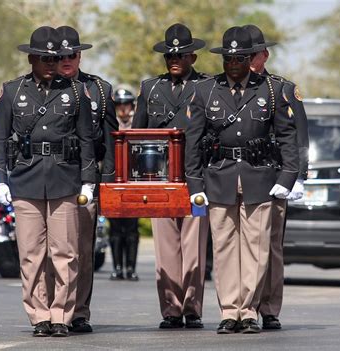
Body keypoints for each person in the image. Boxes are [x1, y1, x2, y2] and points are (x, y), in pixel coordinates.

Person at [185, 26, 299, 334]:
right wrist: (194, 185)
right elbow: (193, 141)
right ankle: (229, 310)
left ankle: (248, 310)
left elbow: (288, 136)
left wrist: (288, 177)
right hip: (219, 176)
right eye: (228, 58)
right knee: (223, 247)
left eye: (239, 58)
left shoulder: (271, 90)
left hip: (259, 176)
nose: (233, 64)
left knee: (257, 247)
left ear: (250, 59)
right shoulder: (206, 90)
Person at [0, 26, 96, 337]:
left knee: (65, 252)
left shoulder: (76, 91)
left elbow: (86, 140)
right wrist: (0, 178)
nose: (51, 63)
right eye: (44, 58)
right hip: (26, 178)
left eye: (55, 58)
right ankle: (39, 315)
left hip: (65, 178)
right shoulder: (12, 92)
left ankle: (61, 315)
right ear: (32, 58)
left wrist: (88, 181)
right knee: (31, 253)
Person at [132, 23, 210, 329]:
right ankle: (171, 310)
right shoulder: (150, 88)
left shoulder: (206, 87)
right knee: (166, 248)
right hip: (159, 176)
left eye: (181, 54)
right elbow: (136, 135)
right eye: (169, 55)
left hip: (195, 176)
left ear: (193, 57)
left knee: (194, 248)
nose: (174, 59)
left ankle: (192, 308)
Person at [243, 24, 309, 330]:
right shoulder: (229, 88)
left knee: (271, 246)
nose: (246, 60)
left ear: (264, 55)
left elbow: (299, 137)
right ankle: (245, 306)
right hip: (240, 175)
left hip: (275, 176)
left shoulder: (281, 89)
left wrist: (299, 177)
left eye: (251, 54)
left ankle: (269, 306)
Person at [55, 25, 118, 333]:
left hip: (84, 180)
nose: (67, 60)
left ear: (80, 56)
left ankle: (78, 311)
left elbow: (109, 139)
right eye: (62, 54)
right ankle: (53, 311)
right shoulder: (39, 87)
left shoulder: (99, 89)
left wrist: (104, 183)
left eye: (73, 54)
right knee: (49, 251)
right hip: (49, 177)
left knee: (81, 248)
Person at [109, 87, 140, 281]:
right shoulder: (111, 123)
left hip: (134, 177)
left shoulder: (137, 123)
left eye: (126, 104)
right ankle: (117, 267)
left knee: (131, 228)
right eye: (119, 105)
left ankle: (131, 267)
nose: (122, 109)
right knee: (114, 228)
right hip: (114, 178)